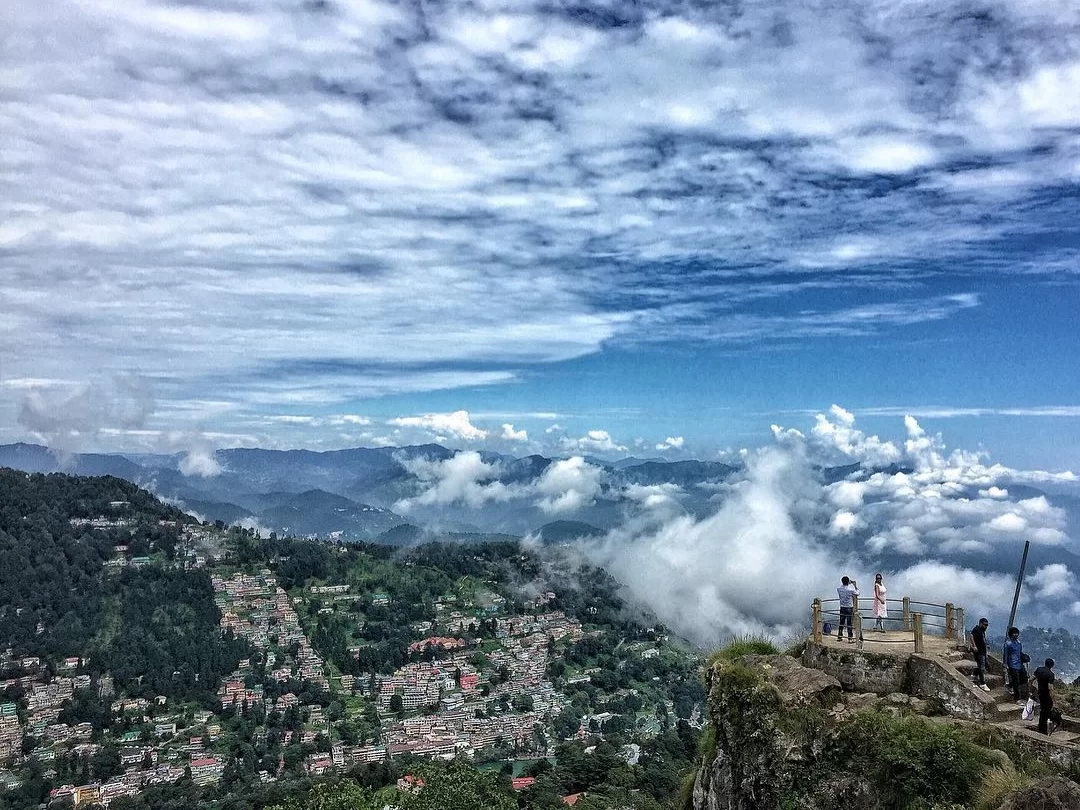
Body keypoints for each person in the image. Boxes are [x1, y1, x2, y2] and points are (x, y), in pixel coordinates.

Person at [1033, 658, 1056, 734]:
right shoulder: (1051, 674)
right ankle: (1043, 730)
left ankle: (1041, 729)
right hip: (1047, 696)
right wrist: (1053, 699)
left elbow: (1033, 679)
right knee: (1046, 713)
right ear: (1052, 666)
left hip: (1040, 694)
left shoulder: (1039, 670)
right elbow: (1050, 688)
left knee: (1042, 712)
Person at [1003, 627, 1025, 703]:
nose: (1016, 635)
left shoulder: (1019, 643)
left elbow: (1019, 653)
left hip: (1020, 664)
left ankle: (1010, 685)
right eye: (1014, 633)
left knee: (1024, 678)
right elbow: (1005, 655)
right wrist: (1005, 665)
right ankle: (1017, 699)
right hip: (1012, 664)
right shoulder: (1008, 644)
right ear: (1011, 634)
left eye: (1017, 633)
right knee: (1016, 681)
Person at [969, 618, 990, 692]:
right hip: (978, 652)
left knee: (984, 665)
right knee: (982, 667)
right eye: (985, 625)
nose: (986, 626)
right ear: (980, 623)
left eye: (987, 625)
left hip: (983, 651)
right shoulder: (976, 629)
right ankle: (982, 683)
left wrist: (986, 645)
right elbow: (971, 636)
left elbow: (983, 638)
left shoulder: (982, 631)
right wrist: (974, 646)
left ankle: (974, 674)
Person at [836, 576, 859, 643]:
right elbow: (857, 593)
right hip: (849, 608)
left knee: (841, 622)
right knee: (849, 623)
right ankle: (850, 638)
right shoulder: (850, 590)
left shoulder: (839, 589)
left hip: (842, 607)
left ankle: (839, 636)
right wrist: (855, 585)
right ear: (848, 582)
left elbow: (842, 586)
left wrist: (847, 582)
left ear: (842, 582)